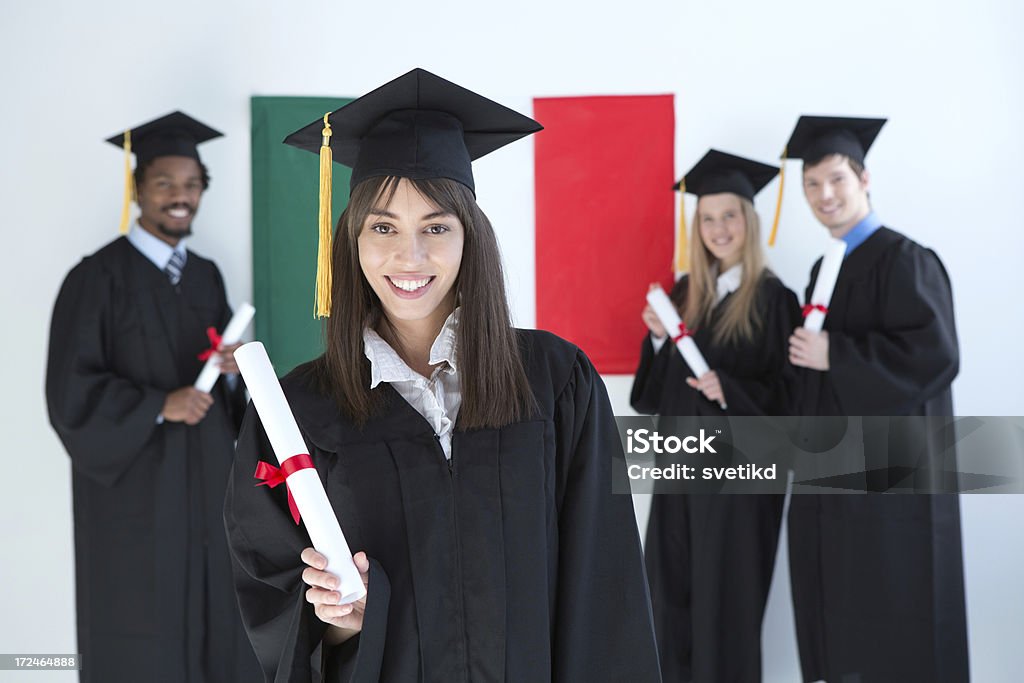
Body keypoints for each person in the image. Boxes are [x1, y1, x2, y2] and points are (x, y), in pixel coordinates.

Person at [224, 68, 662, 682]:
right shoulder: (298, 411)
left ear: (469, 238)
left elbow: (604, 582)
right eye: (383, 227)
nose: (411, 257)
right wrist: (341, 620)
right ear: (350, 240)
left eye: (437, 227)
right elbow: (267, 584)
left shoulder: (555, 382)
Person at [46, 111, 260, 682]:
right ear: (139, 188)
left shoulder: (207, 276)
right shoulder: (95, 278)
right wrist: (157, 405)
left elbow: (227, 389)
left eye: (191, 185)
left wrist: (234, 372)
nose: (180, 196)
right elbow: (69, 392)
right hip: (137, 493)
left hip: (209, 487)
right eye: (165, 182)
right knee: (140, 625)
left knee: (221, 618)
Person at [783, 115, 969, 683]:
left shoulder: (905, 260)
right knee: (840, 619)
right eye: (811, 184)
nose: (824, 195)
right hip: (837, 485)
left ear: (864, 179)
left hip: (895, 492)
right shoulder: (823, 270)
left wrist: (836, 355)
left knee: (898, 623)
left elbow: (937, 356)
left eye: (835, 178)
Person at [631, 150, 799, 682]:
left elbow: (794, 402)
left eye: (729, 216)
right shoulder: (685, 298)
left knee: (726, 612)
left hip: (738, 488)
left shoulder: (776, 302)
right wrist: (658, 340)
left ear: (749, 222)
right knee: (669, 603)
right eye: (708, 217)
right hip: (679, 477)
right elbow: (650, 400)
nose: (718, 228)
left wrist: (732, 389)